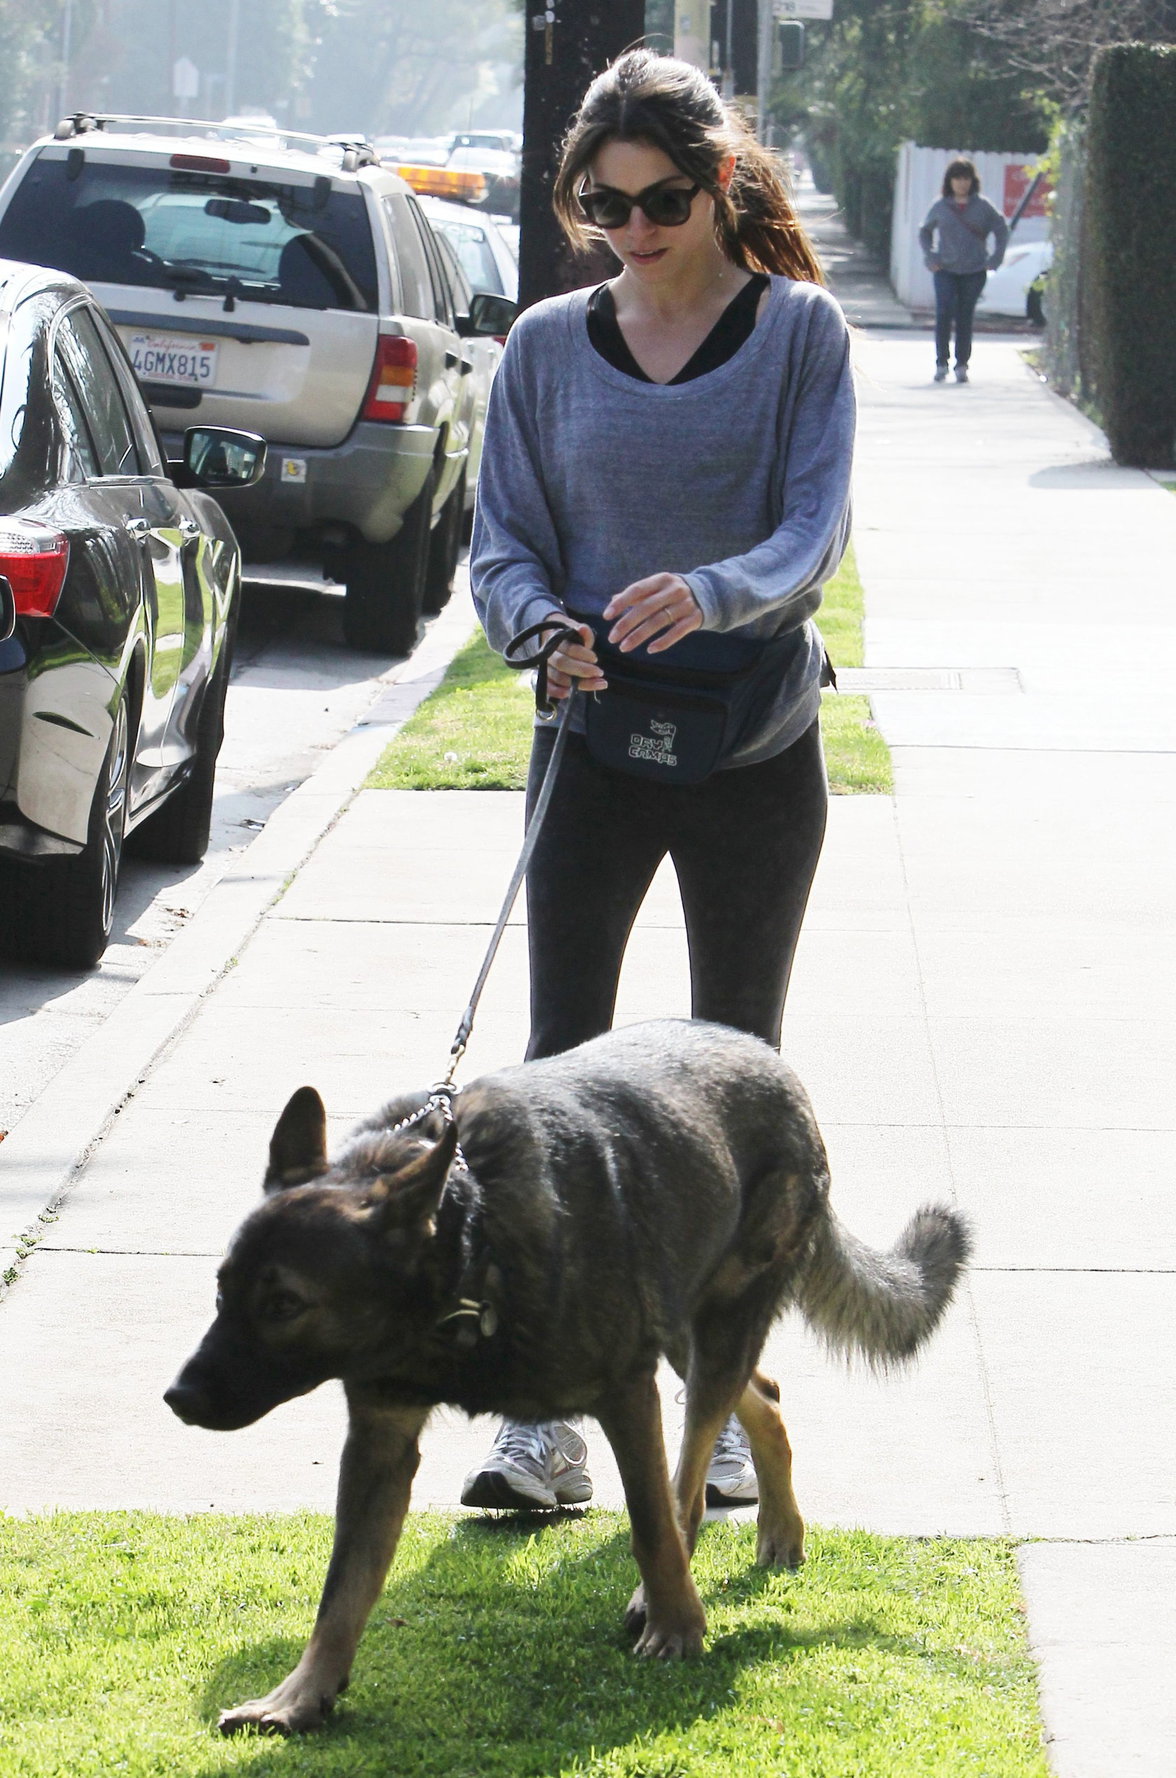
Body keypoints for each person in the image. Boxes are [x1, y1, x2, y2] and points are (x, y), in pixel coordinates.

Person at [463, 49, 855, 1514]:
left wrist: (712, 588)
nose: (633, 228)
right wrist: (534, 627)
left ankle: (724, 1402)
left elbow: (816, 536)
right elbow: (499, 539)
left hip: (753, 748)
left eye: (664, 199)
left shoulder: (801, 335)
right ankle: (539, 1416)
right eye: (601, 202)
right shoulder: (547, 347)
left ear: (721, 186)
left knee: (730, 1081)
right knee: (556, 1066)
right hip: (590, 745)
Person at [918, 157, 1008, 383]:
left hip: (974, 270)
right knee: (943, 313)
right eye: (957, 178)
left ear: (972, 181)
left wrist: (995, 258)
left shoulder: (982, 206)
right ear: (950, 181)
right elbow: (924, 231)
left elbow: (1001, 229)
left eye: (965, 178)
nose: (961, 183)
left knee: (965, 316)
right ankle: (941, 363)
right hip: (945, 269)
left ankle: (962, 365)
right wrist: (931, 256)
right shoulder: (940, 206)